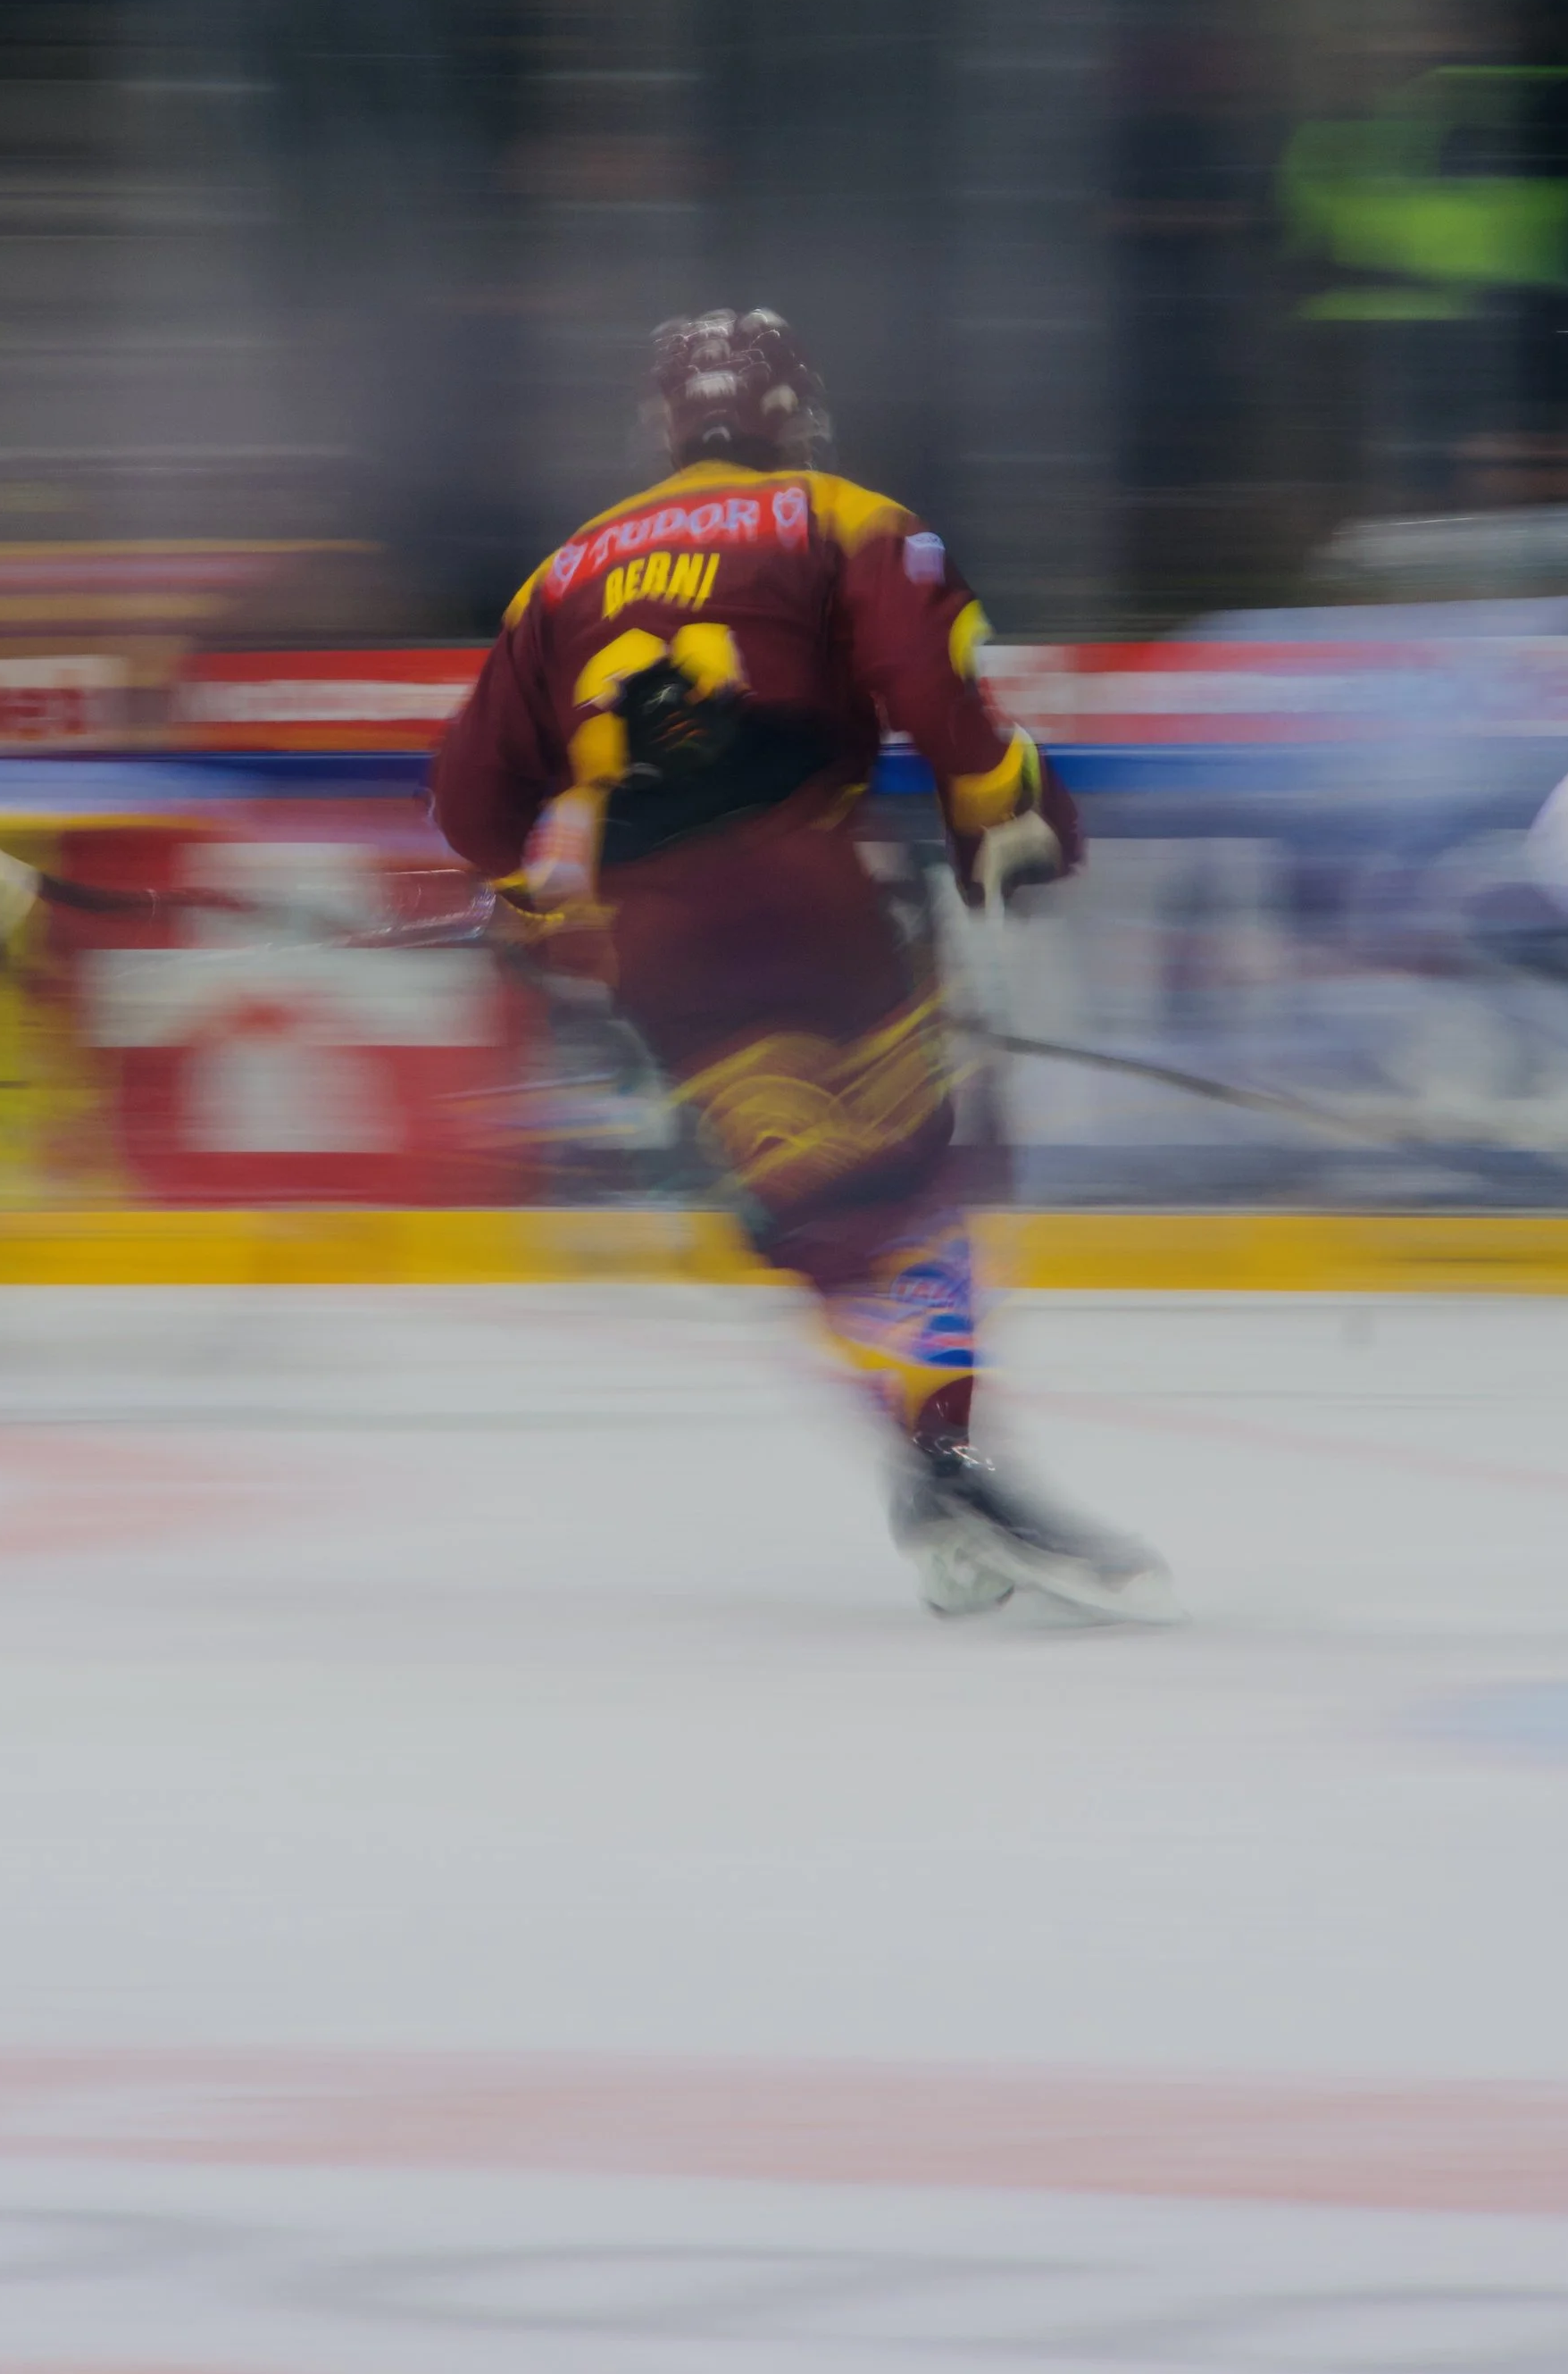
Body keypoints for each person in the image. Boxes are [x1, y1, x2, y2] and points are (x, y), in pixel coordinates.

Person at [431, 308, 1172, 1620]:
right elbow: (944, 709)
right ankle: (945, 1444)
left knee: (816, 1212)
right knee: (920, 1178)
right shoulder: (854, 516)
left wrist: (525, 903)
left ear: (664, 427)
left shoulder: (556, 579)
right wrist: (1023, 816)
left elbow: (470, 801)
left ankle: (924, 1463)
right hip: (809, 890)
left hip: (659, 935)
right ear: (791, 415)